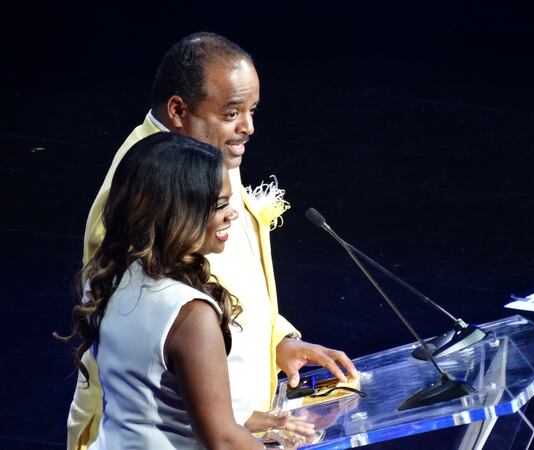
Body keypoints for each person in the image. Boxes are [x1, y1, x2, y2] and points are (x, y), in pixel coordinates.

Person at [68, 32, 357, 450]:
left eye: (252, 110)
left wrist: (278, 340)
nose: (248, 127)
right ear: (178, 110)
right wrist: (231, 426)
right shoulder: (145, 193)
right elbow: (136, 357)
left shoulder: (204, 154)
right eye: (232, 112)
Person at [71, 132, 264, 449]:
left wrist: (260, 420)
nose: (234, 213)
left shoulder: (110, 275)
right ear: (178, 213)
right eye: (220, 205)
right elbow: (223, 440)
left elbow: (163, 401)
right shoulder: (189, 314)